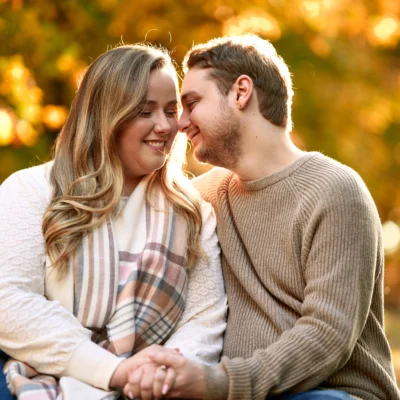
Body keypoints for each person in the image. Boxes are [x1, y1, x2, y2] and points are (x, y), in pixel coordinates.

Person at [129, 35, 400, 400]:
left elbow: (327, 336)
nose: (181, 123)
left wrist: (217, 384)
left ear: (241, 92)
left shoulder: (335, 191)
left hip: (330, 392)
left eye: (192, 103)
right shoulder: (202, 197)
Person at [0, 44, 227, 400]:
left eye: (171, 111)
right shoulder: (31, 191)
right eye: (145, 111)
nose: (165, 126)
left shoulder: (192, 212)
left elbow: (205, 318)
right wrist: (115, 371)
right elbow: (8, 301)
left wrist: (162, 377)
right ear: (106, 115)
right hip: (41, 379)